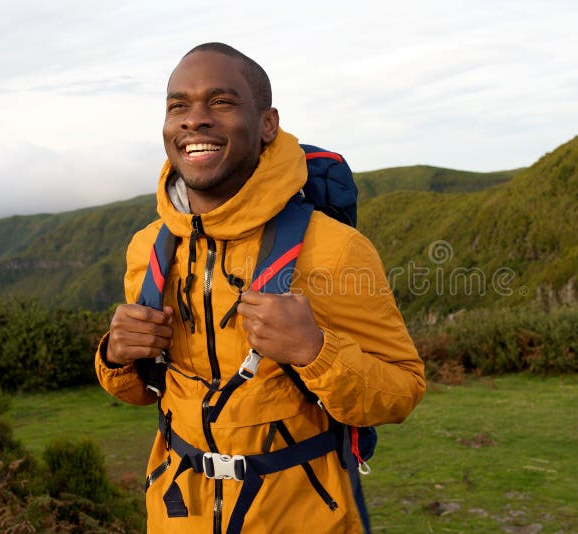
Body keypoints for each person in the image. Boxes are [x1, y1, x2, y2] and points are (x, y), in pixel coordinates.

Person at [95, 42, 426, 533]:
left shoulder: (335, 249)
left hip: (302, 517)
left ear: (268, 123)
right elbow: (147, 391)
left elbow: (401, 390)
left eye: (221, 102)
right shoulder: (149, 247)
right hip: (174, 513)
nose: (194, 119)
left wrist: (316, 351)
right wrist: (116, 357)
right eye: (178, 106)